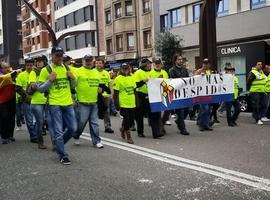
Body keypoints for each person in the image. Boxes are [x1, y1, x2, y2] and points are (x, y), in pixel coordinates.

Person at [38, 47, 77, 165]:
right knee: (58, 131)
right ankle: (63, 155)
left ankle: (58, 144)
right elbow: (40, 89)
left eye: (61, 55)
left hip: (68, 103)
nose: (59, 57)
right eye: (57, 55)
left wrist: (73, 78)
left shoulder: (67, 68)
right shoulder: (46, 70)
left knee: (73, 128)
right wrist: (49, 81)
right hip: (54, 104)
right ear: (52, 56)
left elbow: (73, 86)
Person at [73, 54, 109, 148]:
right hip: (82, 102)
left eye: (90, 60)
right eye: (86, 60)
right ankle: (76, 135)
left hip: (94, 102)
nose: (88, 62)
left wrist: (100, 89)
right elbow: (73, 85)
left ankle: (96, 141)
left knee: (94, 123)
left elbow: (99, 85)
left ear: (92, 61)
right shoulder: (78, 71)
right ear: (83, 61)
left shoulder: (95, 72)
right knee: (81, 123)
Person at [134, 58, 164, 139]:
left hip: (151, 95)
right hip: (141, 95)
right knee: (140, 115)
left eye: (150, 63)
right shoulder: (138, 73)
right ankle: (140, 132)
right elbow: (135, 85)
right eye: (148, 64)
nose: (150, 65)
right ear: (144, 65)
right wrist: (143, 81)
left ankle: (156, 133)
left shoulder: (152, 72)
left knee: (153, 114)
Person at [27, 56, 48, 149]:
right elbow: (33, 85)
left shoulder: (48, 71)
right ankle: (40, 141)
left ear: (44, 62)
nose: (38, 63)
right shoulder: (33, 72)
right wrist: (45, 84)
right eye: (37, 61)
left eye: (40, 61)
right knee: (40, 122)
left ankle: (56, 142)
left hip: (48, 100)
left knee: (51, 122)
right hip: (36, 102)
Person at [113, 63, 136, 144]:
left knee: (131, 120)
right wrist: (117, 105)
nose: (125, 70)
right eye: (124, 69)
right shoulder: (118, 79)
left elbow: (134, 90)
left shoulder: (132, 77)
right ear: (121, 69)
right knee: (126, 119)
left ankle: (123, 129)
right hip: (123, 103)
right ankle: (128, 136)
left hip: (132, 102)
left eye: (127, 68)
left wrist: (137, 101)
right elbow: (115, 93)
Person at [16, 58, 37, 142]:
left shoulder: (36, 73)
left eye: (31, 65)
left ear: (33, 65)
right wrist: (26, 96)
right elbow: (17, 88)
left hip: (37, 99)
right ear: (25, 66)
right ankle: (33, 136)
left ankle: (37, 133)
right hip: (26, 100)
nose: (29, 67)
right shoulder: (21, 75)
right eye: (28, 65)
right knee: (29, 119)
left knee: (38, 119)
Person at [168, 54, 190, 135]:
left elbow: (188, 80)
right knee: (180, 111)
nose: (181, 61)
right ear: (175, 61)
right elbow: (173, 82)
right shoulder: (172, 70)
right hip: (177, 94)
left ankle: (179, 122)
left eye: (181, 59)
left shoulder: (185, 70)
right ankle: (183, 129)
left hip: (184, 93)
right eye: (179, 59)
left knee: (186, 110)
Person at [0, 63, 20, 144]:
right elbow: (6, 77)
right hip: (2, 100)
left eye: (8, 67)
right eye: (5, 68)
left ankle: (10, 135)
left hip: (11, 99)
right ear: (1, 68)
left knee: (11, 117)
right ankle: (4, 136)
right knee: (4, 117)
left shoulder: (12, 74)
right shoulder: (2, 75)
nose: (7, 69)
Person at [95, 57, 114, 133]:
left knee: (107, 111)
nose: (98, 64)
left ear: (103, 64)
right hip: (95, 95)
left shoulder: (106, 73)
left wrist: (111, 94)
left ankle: (108, 127)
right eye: (96, 63)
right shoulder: (93, 72)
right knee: (94, 111)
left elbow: (109, 84)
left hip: (105, 96)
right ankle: (95, 127)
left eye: (100, 63)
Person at [150, 58, 168, 134]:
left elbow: (168, 82)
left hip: (164, 94)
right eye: (156, 63)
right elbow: (150, 84)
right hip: (155, 95)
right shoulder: (151, 73)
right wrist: (157, 80)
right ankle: (160, 128)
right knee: (158, 113)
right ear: (154, 64)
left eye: (158, 63)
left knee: (166, 111)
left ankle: (162, 124)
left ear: (161, 64)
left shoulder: (165, 72)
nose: (157, 65)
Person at [195, 58, 213, 131]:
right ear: (202, 64)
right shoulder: (199, 71)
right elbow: (193, 80)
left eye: (207, 63)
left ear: (209, 64)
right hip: (201, 93)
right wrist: (199, 76)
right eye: (204, 63)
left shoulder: (209, 72)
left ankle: (204, 123)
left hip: (208, 93)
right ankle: (202, 125)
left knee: (207, 109)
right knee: (205, 108)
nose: (205, 65)